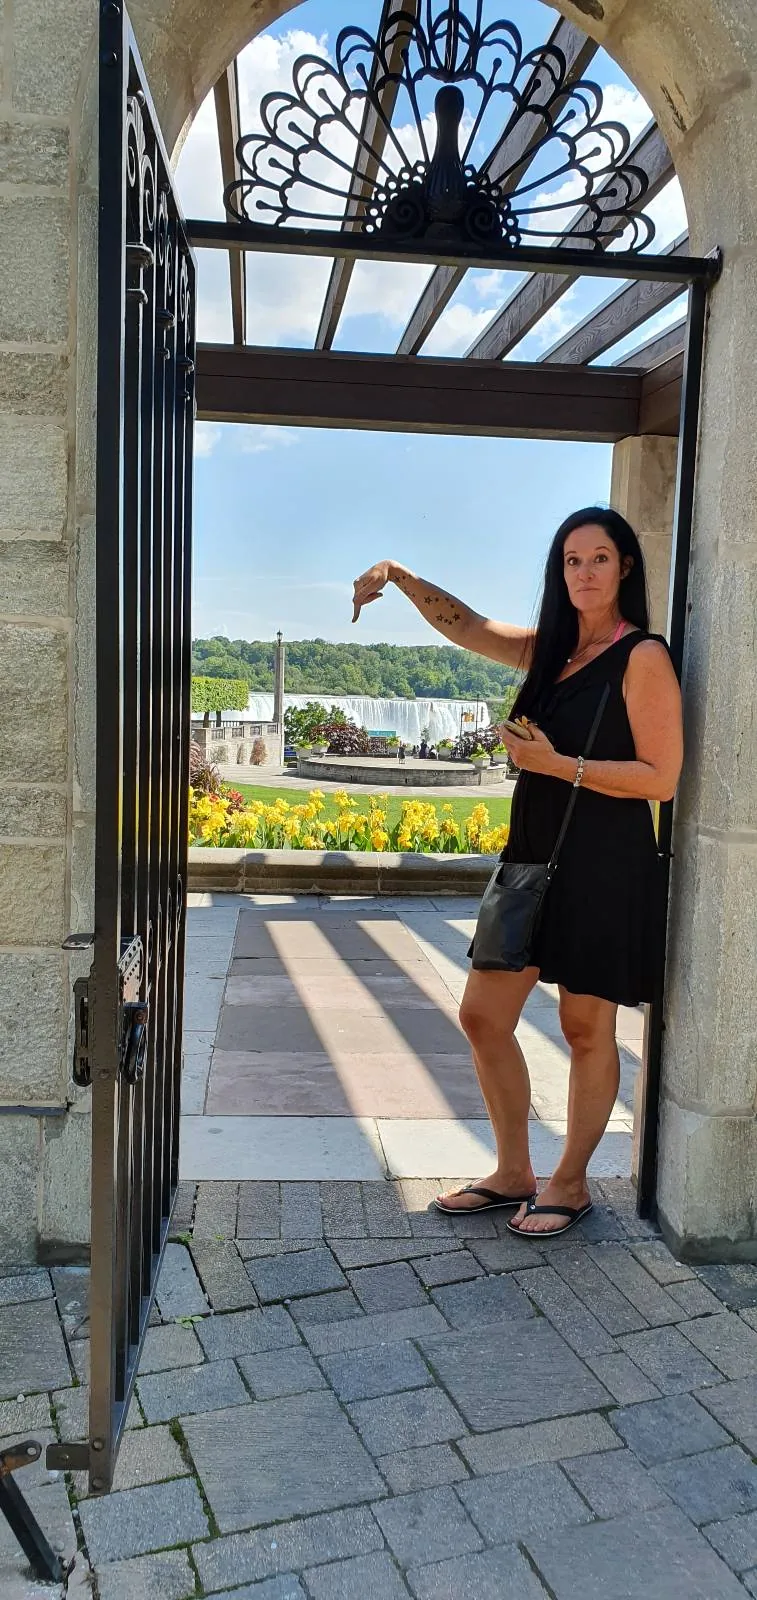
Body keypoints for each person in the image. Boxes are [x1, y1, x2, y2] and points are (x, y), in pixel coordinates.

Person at [352, 507, 683, 1239]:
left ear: (625, 567)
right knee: (482, 1016)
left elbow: (661, 778)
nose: (584, 572)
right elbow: (468, 627)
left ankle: (570, 1182)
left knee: (585, 1027)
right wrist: (400, 578)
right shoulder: (549, 652)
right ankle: (512, 1173)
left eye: (599, 558)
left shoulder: (641, 656)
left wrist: (553, 763)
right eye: (571, 560)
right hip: (531, 858)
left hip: (603, 865)